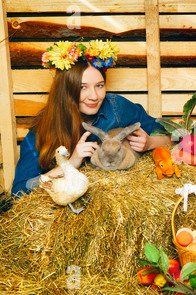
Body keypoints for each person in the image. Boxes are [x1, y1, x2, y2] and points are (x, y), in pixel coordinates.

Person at [12, 40, 171, 197]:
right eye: (83, 87)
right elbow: (18, 192)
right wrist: (69, 165)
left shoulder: (117, 108)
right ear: (65, 90)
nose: (94, 96)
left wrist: (151, 142)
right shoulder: (45, 126)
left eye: (99, 85)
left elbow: (174, 136)